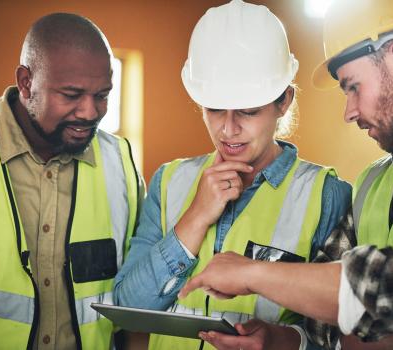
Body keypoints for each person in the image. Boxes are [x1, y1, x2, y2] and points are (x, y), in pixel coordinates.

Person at [179, 0, 393, 349]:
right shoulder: (370, 184)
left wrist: (252, 273)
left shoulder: (330, 191)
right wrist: (283, 339)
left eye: (352, 86)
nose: (348, 112)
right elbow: (326, 327)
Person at [113, 1, 351, 349]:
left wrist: (282, 341)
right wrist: (193, 219)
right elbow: (127, 309)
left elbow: (340, 334)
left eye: (248, 111)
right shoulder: (169, 182)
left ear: (284, 101)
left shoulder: (325, 195)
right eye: (214, 109)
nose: (228, 129)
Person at [0, 13, 144, 349]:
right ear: (26, 82)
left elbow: (134, 301)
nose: (90, 112)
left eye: (102, 95)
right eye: (72, 95)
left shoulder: (120, 162)